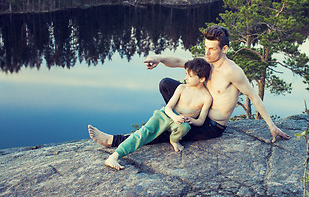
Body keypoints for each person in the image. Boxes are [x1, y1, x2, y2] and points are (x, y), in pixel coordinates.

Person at [88, 25, 291, 154]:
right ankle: (173, 118)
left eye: (212, 49)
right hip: (192, 111)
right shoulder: (206, 63)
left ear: (225, 49)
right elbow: (178, 61)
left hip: (210, 126)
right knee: (166, 83)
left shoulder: (233, 72)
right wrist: (157, 58)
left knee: (162, 132)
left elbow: (253, 97)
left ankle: (113, 141)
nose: (207, 52)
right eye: (205, 47)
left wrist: (272, 126)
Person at [100, 58, 212, 170]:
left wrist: (192, 120)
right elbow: (168, 107)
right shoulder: (182, 88)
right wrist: (174, 116)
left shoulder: (206, 98)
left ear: (202, 78)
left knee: (185, 127)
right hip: (166, 115)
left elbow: (201, 120)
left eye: (190, 76)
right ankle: (114, 156)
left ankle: (173, 140)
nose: (185, 78)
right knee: (144, 132)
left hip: (179, 123)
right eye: (186, 74)